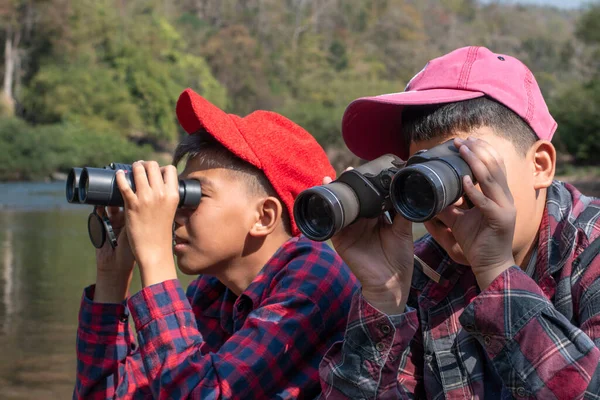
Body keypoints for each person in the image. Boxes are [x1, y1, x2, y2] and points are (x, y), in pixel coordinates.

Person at [319, 46, 600, 399]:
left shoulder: (591, 250)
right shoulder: (425, 268)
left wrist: (496, 271)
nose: (448, 199)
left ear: (539, 165)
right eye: (424, 176)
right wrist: (383, 296)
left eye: (465, 168)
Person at [73, 88, 359, 399]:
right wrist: (112, 278)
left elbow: (201, 393)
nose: (174, 212)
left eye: (193, 195)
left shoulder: (314, 276)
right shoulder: (214, 292)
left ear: (263, 217)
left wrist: (155, 258)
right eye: (180, 192)